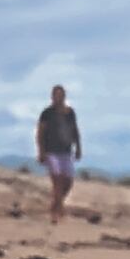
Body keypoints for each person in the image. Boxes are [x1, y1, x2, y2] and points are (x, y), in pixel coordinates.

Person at [36, 84, 82, 224]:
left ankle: (55, 205)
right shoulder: (47, 113)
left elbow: (75, 130)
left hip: (66, 151)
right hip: (51, 151)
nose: (58, 97)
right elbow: (40, 132)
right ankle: (57, 212)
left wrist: (78, 147)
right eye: (56, 95)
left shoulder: (70, 113)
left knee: (68, 182)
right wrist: (41, 151)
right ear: (52, 96)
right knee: (57, 179)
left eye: (61, 95)